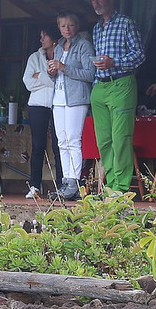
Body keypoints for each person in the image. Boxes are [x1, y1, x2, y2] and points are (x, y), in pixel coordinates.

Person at [89, 0, 145, 194]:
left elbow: (139, 55)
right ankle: (110, 186)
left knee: (121, 138)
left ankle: (120, 189)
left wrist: (114, 62)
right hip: (100, 86)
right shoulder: (96, 28)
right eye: (93, 0)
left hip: (121, 82)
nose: (96, 3)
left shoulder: (126, 23)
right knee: (104, 140)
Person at [48, 12, 96, 201]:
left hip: (77, 98)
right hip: (58, 98)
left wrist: (64, 68)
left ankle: (75, 181)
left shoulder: (84, 45)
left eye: (70, 25)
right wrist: (52, 71)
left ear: (77, 26)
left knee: (73, 140)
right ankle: (66, 179)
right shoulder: (58, 46)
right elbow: (56, 73)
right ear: (59, 27)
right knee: (61, 141)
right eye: (63, 26)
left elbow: (89, 74)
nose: (67, 29)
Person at [21, 23, 64, 199]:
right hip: (37, 104)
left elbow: (62, 80)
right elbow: (27, 82)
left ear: (53, 38)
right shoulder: (34, 57)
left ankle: (62, 184)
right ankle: (34, 185)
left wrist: (40, 75)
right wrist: (49, 77)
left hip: (59, 103)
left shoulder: (62, 54)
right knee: (38, 145)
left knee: (58, 144)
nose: (41, 39)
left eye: (44, 36)